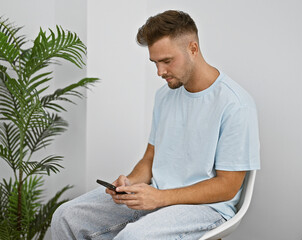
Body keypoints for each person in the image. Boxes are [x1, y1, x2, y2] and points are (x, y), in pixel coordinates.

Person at [51, 10, 260, 240]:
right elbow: (150, 159)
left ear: (193, 49)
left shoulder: (235, 104)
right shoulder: (165, 96)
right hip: (158, 195)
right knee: (66, 216)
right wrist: (130, 183)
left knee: (133, 238)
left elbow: (227, 186)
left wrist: (161, 197)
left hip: (208, 208)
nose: (160, 72)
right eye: (155, 63)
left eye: (167, 61)